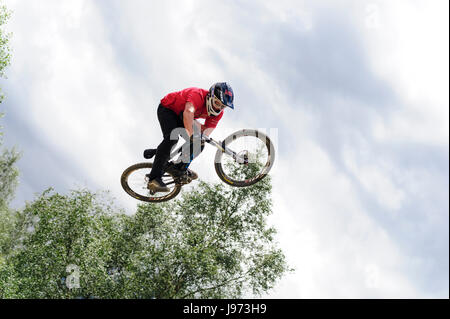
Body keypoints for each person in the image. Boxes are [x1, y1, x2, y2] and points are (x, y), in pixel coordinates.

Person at [146, 82, 234, 192]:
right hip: (168, 109)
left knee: (200, 143)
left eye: (223, 106)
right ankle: (153, 179)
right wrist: (191, 135)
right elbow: (188, 112)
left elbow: (206, 132)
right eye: (217, 103)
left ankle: (178, 167)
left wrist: (197, 141)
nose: (218, 108)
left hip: (183, 116)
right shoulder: (197, 94)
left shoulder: (219, 113)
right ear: (210, 96)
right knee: (172, 139)